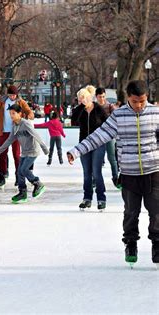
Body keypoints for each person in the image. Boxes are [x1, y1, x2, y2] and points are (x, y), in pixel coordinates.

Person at [67, 80, 159, 266]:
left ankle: (157, 244)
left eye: (142, 101)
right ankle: (130, 243)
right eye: (135, 101)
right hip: (130, 173)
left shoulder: (156, 114)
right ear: (128, 99)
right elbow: (98, 136)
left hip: (154, 171)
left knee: (157, 212)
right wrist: (76, 151)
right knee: (131, 212)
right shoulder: (119, 116)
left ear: (147, 97)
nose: (139, 105)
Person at [0, 104, 49, 203]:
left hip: (33, 151)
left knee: (23, 169)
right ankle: (22, 193)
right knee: (19, 172)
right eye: (10, 113)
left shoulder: (25, 123)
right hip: (24, 152)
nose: (11, 116)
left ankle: (37, 183)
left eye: (13, 113)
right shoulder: (14, 126)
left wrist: (44, 148)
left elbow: (35, 134)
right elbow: (9, 140)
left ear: (20, 114)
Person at [70, 85, 108, 211]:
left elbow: (107, 124)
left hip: (98, 144)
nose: (81, 101)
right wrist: (81, 107)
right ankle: (87, 199)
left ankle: (101, 199)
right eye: (79, 99)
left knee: (96, 173)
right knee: (87, 173)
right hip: (83, 145)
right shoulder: (78, 110)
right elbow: (73, 121)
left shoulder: (98, 109)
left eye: (83, 98)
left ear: (89, 97)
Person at [95, 87, 120, 188]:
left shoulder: (110, 106)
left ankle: (115, 178)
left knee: (112, 158)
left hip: (109, 136)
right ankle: (95, 179)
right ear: (96, 97)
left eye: (103, 97)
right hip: (97, 136)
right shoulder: (93, 107)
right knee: (97, 159)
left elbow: (117, 119)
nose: (102, 99)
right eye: (100, 97)